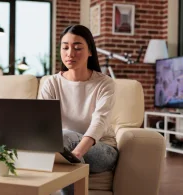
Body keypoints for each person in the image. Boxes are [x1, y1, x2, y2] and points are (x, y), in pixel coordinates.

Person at [39, 24, 119, 195]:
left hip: (102, 150)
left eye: (77, 47)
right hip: (63, 147)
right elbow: (43, 123)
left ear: (90, 51)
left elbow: (100, 122)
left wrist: (74, 155)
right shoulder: (51, 83)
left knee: (65, 136)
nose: (70, 53)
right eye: (65, 47)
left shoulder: (104, 83)